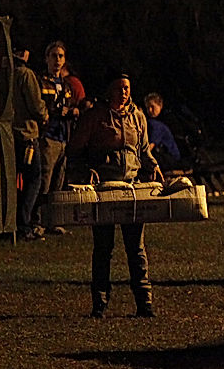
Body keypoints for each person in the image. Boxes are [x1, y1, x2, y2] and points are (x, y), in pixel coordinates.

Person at [69, 71, 161, 318]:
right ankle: (99, 303)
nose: (124, 92)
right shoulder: (94, 117)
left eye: (127, 88)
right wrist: (86, 170)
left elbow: (143, 150)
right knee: (103, 247)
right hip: (104, 190)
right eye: (120, 88)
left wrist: (152, 165)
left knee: (136, 247)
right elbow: (74, 151)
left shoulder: (137, 116)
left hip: (131, 188)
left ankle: (144, 303)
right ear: (110, 90)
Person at [37, 40, 86, 236]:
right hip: (49, 136)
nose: (57, 60)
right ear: (46, 59)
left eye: (61, 56)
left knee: (58, 183)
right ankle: (38, 221)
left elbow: (72, 106)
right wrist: (59, 111)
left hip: (63, 137)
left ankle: (53, 221)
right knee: (44, 181)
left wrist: (74, 111)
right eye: (54, 56)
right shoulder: (42, 82)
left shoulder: (66, 85)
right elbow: (41, 107)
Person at [11, 49, 49, 241]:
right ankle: (24, 224)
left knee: (14, 180)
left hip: (10, 134)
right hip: (26, 134)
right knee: (33, 178)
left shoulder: (5, 73)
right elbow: (35, 104)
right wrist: (44, 115)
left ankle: (10, 223)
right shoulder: (25, 74)